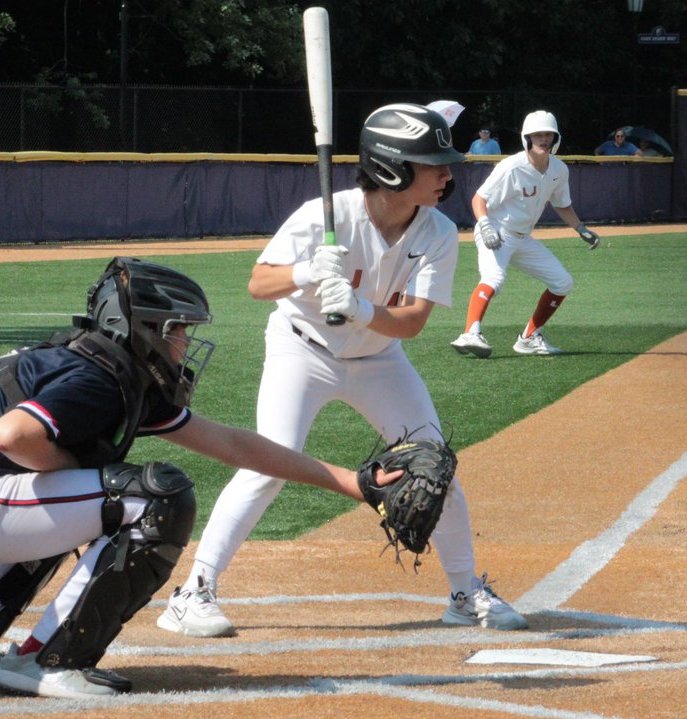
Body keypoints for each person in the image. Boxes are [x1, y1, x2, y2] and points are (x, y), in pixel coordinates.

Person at [0, 257, 402, 698]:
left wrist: (353, 483)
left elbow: (231, 443)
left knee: (87, 491)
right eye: (177, 330)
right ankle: (48, 660)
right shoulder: (100, 378)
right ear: (143, 328)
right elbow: (12, 436)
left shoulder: (98, 365)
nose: (183, 344)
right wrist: (86, 471)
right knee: (154, 498)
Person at [158, 103, 528, 639]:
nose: (448, 172)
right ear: (392, 169)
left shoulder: (440, 232)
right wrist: (307, 270)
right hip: (300, 350)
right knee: (268, 462)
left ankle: (465, 592)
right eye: (433, 163)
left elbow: (413, 323)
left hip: (380, 359)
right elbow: (259, 284)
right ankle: (193, 593)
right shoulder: (322, 214)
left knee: (433, 467)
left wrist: (359, 309)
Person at [451, 110, 600, 358]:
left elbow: (561, 203)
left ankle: (529, 337)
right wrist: (486, 226)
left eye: (548, 134)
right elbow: (479, 198)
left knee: (563, 282)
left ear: (555, 138)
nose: (543, 139)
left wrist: (581, 228)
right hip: (496, 230)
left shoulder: (559, 169)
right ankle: (470, 332)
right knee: (494, 279)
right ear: (527, 138)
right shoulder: (511, 167)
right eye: (537, 134)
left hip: (522, 237)